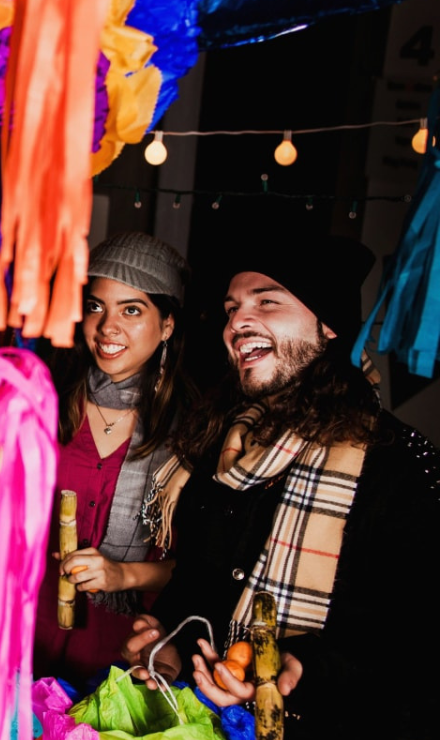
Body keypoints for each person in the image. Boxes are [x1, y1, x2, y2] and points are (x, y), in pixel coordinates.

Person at [122, 232, 438, 738]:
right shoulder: (221, 445)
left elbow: (414, 643)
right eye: (231, 309)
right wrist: (171, 646)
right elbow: (197, 585)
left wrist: (301, 670)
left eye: (266, 302)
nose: (237, 323)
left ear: (329, 325)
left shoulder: (397, 465)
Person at [32, 232, 195, 685]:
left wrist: (123, 574)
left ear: (167, 325)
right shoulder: (44, 400)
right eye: (96, 306)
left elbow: (204, 567)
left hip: (126, 647)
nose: (107, 328)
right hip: (25, 625)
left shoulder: (197, 431)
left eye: (132, 309)